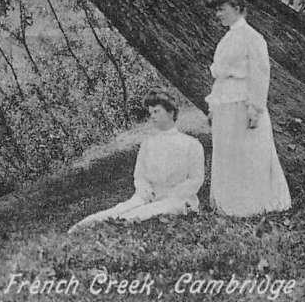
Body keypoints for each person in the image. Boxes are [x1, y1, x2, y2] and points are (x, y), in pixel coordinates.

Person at [204, 0, 291, 216]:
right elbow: (221, 76)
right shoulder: (228, 39)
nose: (218, 14)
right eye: (217, 10)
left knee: (249, 153)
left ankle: (253, 204)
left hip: (244, 103)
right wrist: (214, 105)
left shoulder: (252, 37)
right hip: (226, 101)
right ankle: (230, 203)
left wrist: (255, 108)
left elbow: (260, 74)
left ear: (237, 7)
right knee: (229, 152)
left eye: (222, 9)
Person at [68, 87, 204, 233]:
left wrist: (173, 194)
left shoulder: (191, 144)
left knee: (136, 217)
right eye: (150, 113)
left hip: (179, 200)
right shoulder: (148, 144)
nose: (152, 116)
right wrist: (145, 191)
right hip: (150, 196)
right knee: (115, 212)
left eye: (156, 111)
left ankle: (113, 228)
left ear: (171, 112)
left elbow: (196, 179)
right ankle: (82, 228)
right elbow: (140, 176)